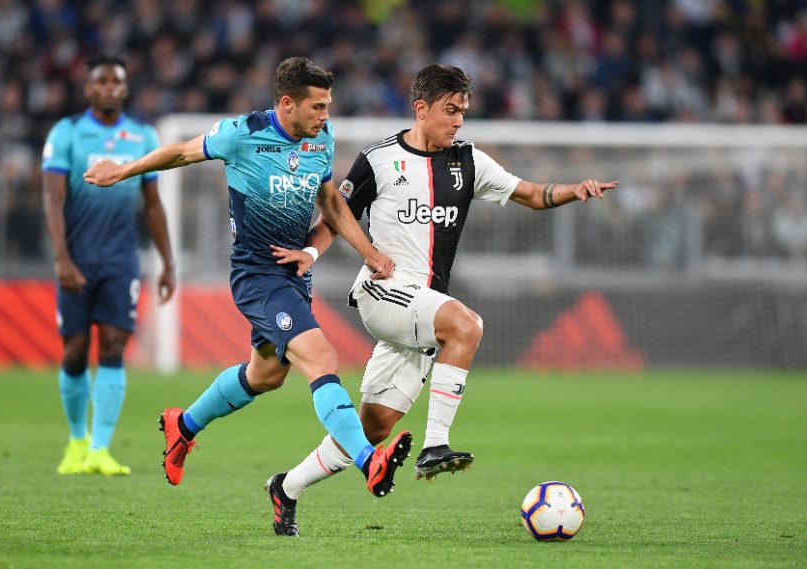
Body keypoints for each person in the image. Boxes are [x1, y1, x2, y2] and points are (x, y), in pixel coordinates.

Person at [265, 63, 618, 535]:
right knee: (466, 325)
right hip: (382, 291)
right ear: (421, 108)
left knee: (373, 427)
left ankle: (286, 487)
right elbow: (337, 214)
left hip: (424, 307)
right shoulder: (379, 160)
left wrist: (573, 190)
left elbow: (531, 195)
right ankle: (436, 444)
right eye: (450, 111)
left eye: (463, 112)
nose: (458, 121)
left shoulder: (469, 162)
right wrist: (310, 252)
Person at [83, 57, 412, 506]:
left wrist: (368, 251)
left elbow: (331, 203)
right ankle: (368, 462)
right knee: (322, 358)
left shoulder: (322, 138)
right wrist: (121, 171)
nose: (325, 115)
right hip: (257, 275)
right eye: (317, 106)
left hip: (294, 277)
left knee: (266, 375)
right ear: (287, 103)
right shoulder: (242, 133)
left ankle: (184, 425)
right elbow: (180, 151)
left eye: (328, 106)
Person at [42, 54, 176, 476]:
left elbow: (153, 204)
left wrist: (168, 263)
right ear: (88, 89)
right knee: (75, 351)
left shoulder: (142, 135)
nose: (108, 88)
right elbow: (53, 198)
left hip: (121, 260)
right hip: (77, 258)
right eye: (100, 81)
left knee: (115, 346)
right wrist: (61, 257)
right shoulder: (67, 132)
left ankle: (100, 449)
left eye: (115, 82)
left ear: (125, 89)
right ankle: (76, 442)